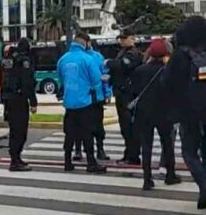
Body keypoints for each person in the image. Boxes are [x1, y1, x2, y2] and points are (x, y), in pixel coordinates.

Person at [165, 16, 206, 209]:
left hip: (189, 111)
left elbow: (167, 83)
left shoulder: (180, 55)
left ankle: (205, 184)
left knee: (189, 151)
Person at [127, 38, 181, 190]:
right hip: (164, 112)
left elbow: (133, 92)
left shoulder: (139, 70)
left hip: (144, 113)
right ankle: (170, 174)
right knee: (167, 144)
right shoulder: (169, 71)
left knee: (146, 146)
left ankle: (147, 178)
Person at [58, 32, 106, 173]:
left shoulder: (62, 59)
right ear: (85, 43)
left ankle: (67, 161)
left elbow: (61, 78)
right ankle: (91, 162)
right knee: (87, 133)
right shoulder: (88, 59)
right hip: (85, 102)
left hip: (69, 103)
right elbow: (96, 80)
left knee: (70, 134)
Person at [0, 37, 38, 171]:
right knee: (20, 132)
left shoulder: (6, 60)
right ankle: (15, 161)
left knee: (14, 131)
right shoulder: (24, 60)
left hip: (8, 99)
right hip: (19, 99)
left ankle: (15, 158)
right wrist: (33, 102)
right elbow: (28, 83)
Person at [107, 31, 142, 163]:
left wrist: (108, 62)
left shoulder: (132, 53)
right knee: (125, 126)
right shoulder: (122, 52)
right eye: (120, 38)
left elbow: (123, 66)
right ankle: (129, 153)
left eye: (124, 38)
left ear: (132, 38)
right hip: (121, 92)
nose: (121, 41)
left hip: (128, 94)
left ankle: (133, 155)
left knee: (129, 126)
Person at [73, 40, 112, 162]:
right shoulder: (76, 57)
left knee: (98, 124)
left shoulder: (97, 57)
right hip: (81, 96)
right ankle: (78, 150)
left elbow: (104, 75)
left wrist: (107, 92)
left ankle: (100, 149)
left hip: (96, 96)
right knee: (78, 125)